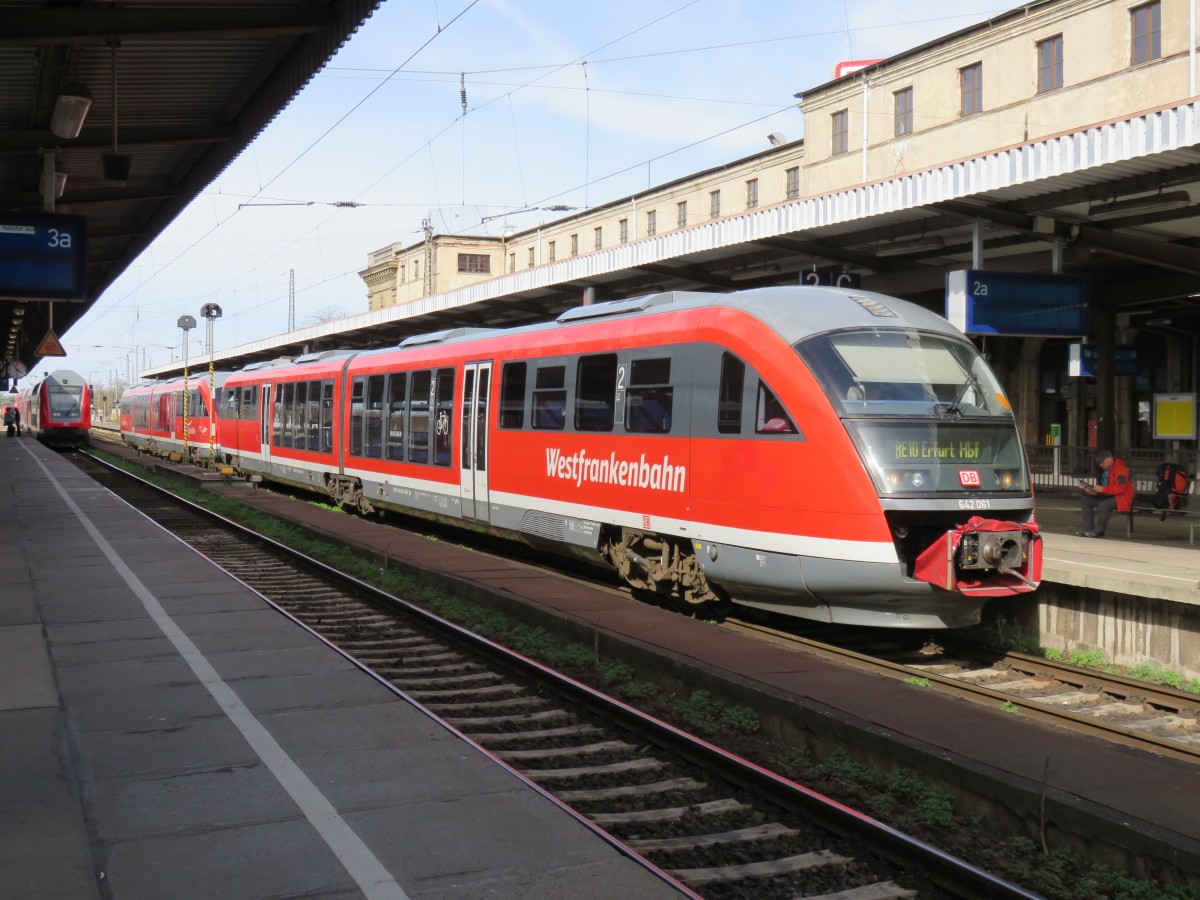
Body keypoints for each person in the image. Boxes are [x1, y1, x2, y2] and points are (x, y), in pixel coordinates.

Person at [1077, 449, 1135, 537]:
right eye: (1099, 463)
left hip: (1121, 498)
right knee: (1086, 499)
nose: (1100, 465)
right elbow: (1102, 488)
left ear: (1109, 460)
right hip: (1107, 495)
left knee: (1104, 504)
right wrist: (1091, 491)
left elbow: (1120, 488)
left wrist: (1102, 489)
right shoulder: (1104, 470)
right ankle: (1087, 529)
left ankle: (1099, 531)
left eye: (1102, 463)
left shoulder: (1121, 469)